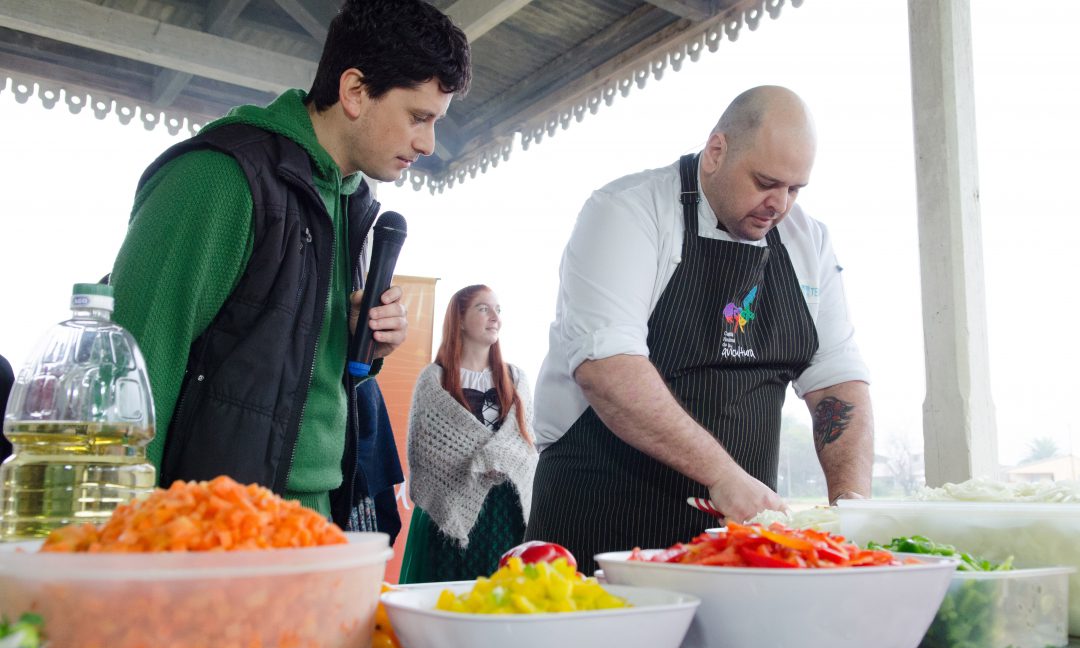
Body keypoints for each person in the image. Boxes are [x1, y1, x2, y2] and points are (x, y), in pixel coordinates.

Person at [108, 0, 471, 539]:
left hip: (318, 523)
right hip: (214, 535)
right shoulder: (217, 178)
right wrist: (118, 557)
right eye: (418, 117)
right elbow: (132, 374)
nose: (427, 143)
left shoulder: (349, 202)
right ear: (354, 91)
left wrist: (360, 349)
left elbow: (286, 367)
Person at [526, 85, 874, 574]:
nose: (780, 205)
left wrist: (852, 507)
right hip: (602, 521)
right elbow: (608, 368)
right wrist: (723, 475)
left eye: (795, 189)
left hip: (738, 542)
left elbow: (837, 380)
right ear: (716, 152)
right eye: (765, 182)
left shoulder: (807, 242)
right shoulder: (627, 212)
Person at [399, 285, 537, 582]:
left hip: (505, 511)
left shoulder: (516, 378)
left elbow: (525, 447)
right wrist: (479, 461)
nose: (495, 317)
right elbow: (424, 453)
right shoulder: (434, 379)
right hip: (450, 509)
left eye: (498, 310)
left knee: (500, 598)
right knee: (446, 599)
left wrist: (494, 458)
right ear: (459, 319)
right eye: (483, 308)